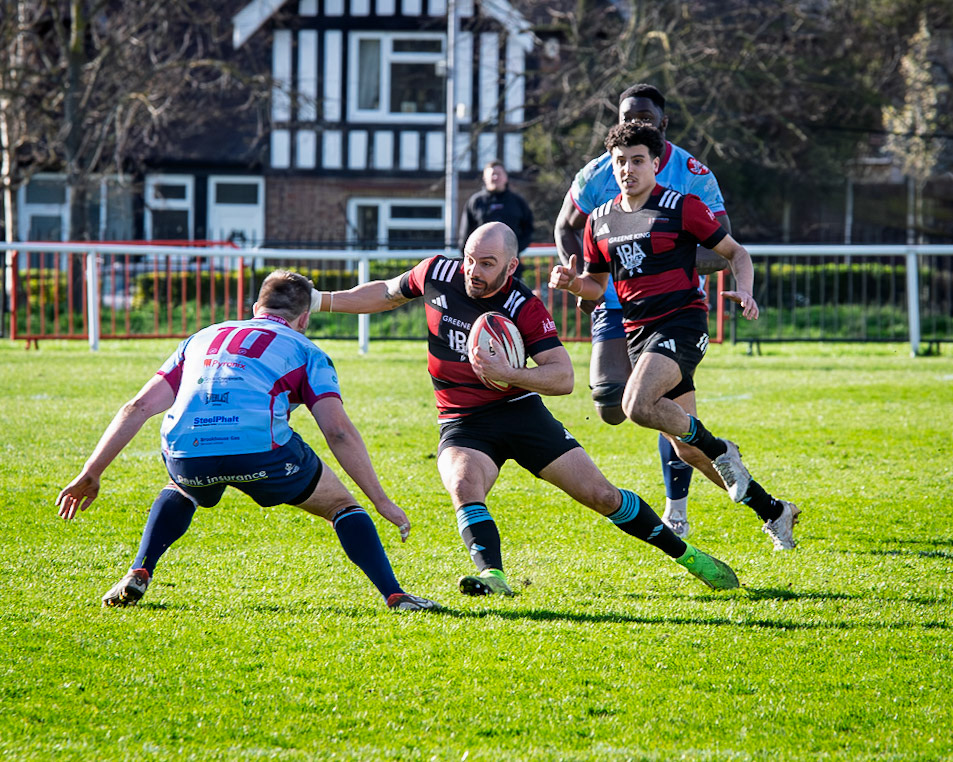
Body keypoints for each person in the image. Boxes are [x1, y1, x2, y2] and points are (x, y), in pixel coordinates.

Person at [314, 221, 740, 596]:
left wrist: (508, 372)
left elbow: (563, 376)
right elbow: (385, 294)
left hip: (520, 413)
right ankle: (493, 576)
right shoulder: (436, 273)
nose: (472, 272)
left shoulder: (523, 306)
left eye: (486, 264)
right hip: (462, 421)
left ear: (510, 267)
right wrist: (321, 301)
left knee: (602, 495)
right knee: (463, 484)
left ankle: (689, 557)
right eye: (469, 259)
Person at [55, 270, 441, 611]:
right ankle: (395, 595)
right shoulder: (307, 350)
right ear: (304, 318)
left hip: (186, 453)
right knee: (341, 505)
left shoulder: (201, 337)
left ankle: (141, 568)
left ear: (256, 306)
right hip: (263, 454)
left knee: (182, 488)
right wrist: (381, 501)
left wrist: (92, 472)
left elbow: (137, 406)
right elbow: (337, 431)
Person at [549, 123, 800, 550]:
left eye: (637, 160)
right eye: (620, 162)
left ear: (656, 163)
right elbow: (595, 285)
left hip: (682, 324)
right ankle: (774, 510)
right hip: (637, 334)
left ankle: (724, 449)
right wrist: (573, 285)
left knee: (635, 404)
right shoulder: (600, 221)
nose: (628, 169)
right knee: (688, 452)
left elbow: (736, 252)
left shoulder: (680, 207)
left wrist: (746, 290)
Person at [554, 83, 730, 540]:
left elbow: (722, 242)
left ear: (663, 123)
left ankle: (677, 506)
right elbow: (565, 226)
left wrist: (661, 257)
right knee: (609, 401)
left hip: (673, 305)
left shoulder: (691, 171)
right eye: (628, 115)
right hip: (615, 303)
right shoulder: (599, 172)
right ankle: (727, 463)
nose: (638, 123)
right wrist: (584, 278)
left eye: (647, 116)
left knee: (655, 403)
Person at [459, 160, 534, 279]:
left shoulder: (517, 202)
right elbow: (465, 235)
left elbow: (529, 229)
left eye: (498, 174)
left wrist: (515, 249)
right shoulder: (475, 202)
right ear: (484, 178)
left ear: (506, 178)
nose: (495, 177)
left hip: (511, 267)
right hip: (482, 268)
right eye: (491, 174)